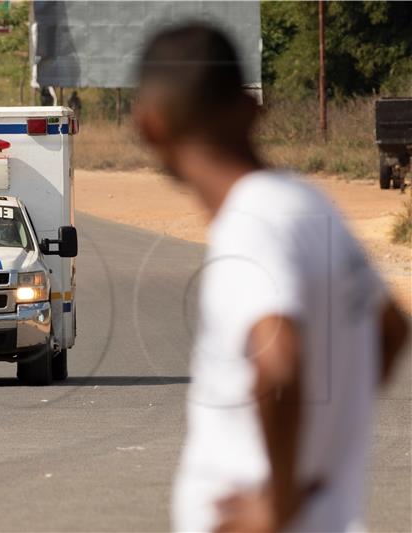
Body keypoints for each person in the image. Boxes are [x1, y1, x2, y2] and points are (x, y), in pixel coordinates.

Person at [133, 24, 409, 533]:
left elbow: (278, 363)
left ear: (150, 127)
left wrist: (278, 511)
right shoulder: (309, 204)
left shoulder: (246, 226)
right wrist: (330, 439)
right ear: (252, 109)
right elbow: (392, 327)